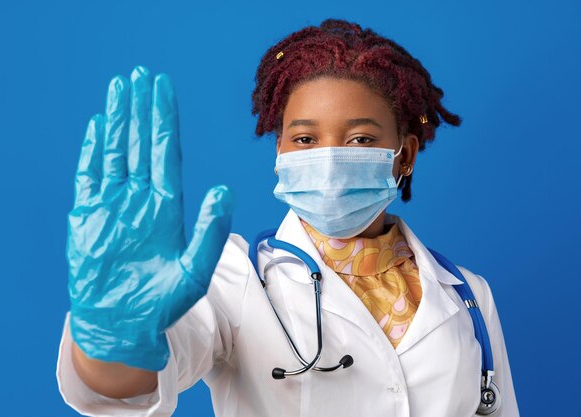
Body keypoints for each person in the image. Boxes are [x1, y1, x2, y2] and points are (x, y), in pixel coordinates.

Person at [56, 19, 520, 417]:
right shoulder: (234, 276)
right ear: (279, 152)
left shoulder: (468, 294)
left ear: (405, 155)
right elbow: (133, 385)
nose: (330, 158)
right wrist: (113, 342)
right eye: (304, 140)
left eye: (360, 140)